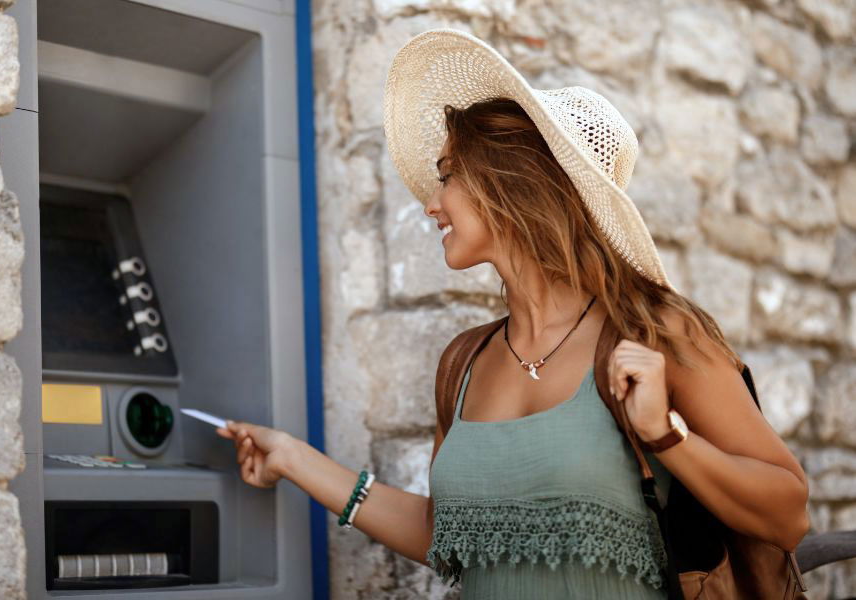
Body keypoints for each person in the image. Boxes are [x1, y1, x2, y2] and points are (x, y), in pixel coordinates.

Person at [217, 28, 810, 599]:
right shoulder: (463, 362)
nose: (429, 204)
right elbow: (441, 533)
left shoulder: (657, 332)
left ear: (512, 180)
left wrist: (664, 434)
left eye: (447, 176)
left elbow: (789, 516)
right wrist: (294, 459)